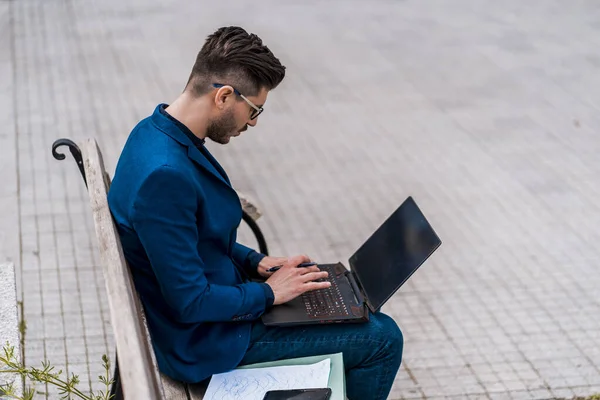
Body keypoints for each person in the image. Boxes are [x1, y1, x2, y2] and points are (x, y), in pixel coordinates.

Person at [107, 26, 403, 400]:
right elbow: (190, 301)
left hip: (221, 310)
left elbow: (192, 238)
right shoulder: (165, 175)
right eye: (255, 109)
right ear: (225, 96)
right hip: (205, 341)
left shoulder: (155, 131)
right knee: (383, 339)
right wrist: (267, 295)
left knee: (354, 311)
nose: (254, 122)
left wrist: (257, 262)